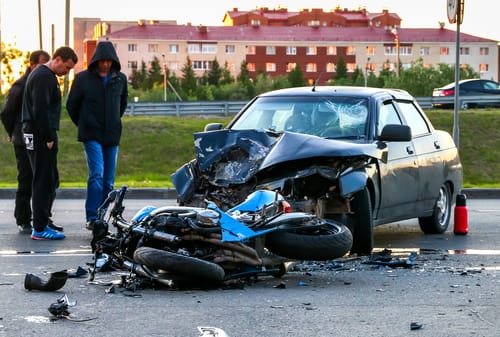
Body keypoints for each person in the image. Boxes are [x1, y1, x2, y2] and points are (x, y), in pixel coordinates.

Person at [66, 41, 128, 230]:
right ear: (96, 61)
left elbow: (122, 104)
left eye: (110, 61)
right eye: (103, 61)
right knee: (96, 176)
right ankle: (92, 217)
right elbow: (71, 105)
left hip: (112, 135)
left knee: (109, 181)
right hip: (91, 134)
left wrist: (113, 121)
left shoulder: (121, 79)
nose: (106, 65)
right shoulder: (83, 78)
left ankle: (101, 216)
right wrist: (84, 124)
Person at [21, 46, 78, 240]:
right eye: (67, 67)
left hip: (38, 132)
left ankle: (43, 222)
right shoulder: (43, 76)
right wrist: (47, 137)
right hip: (39, 134)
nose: (67, 72)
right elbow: (40, 109)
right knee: (42, 180)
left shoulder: (45, 76)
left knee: (50, 178)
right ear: (59, 59)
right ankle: (39, 227)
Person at [1, 50, 59, 234]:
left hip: (36, 134)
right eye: (42, 63)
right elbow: (7, 112)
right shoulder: (20, 85)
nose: (45, 66)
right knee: (26, 179)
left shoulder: (43, 80)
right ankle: (24, 219)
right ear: (32, 63)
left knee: (48, 179)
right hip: (23, 137)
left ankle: (43, 218)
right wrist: (11, 132)